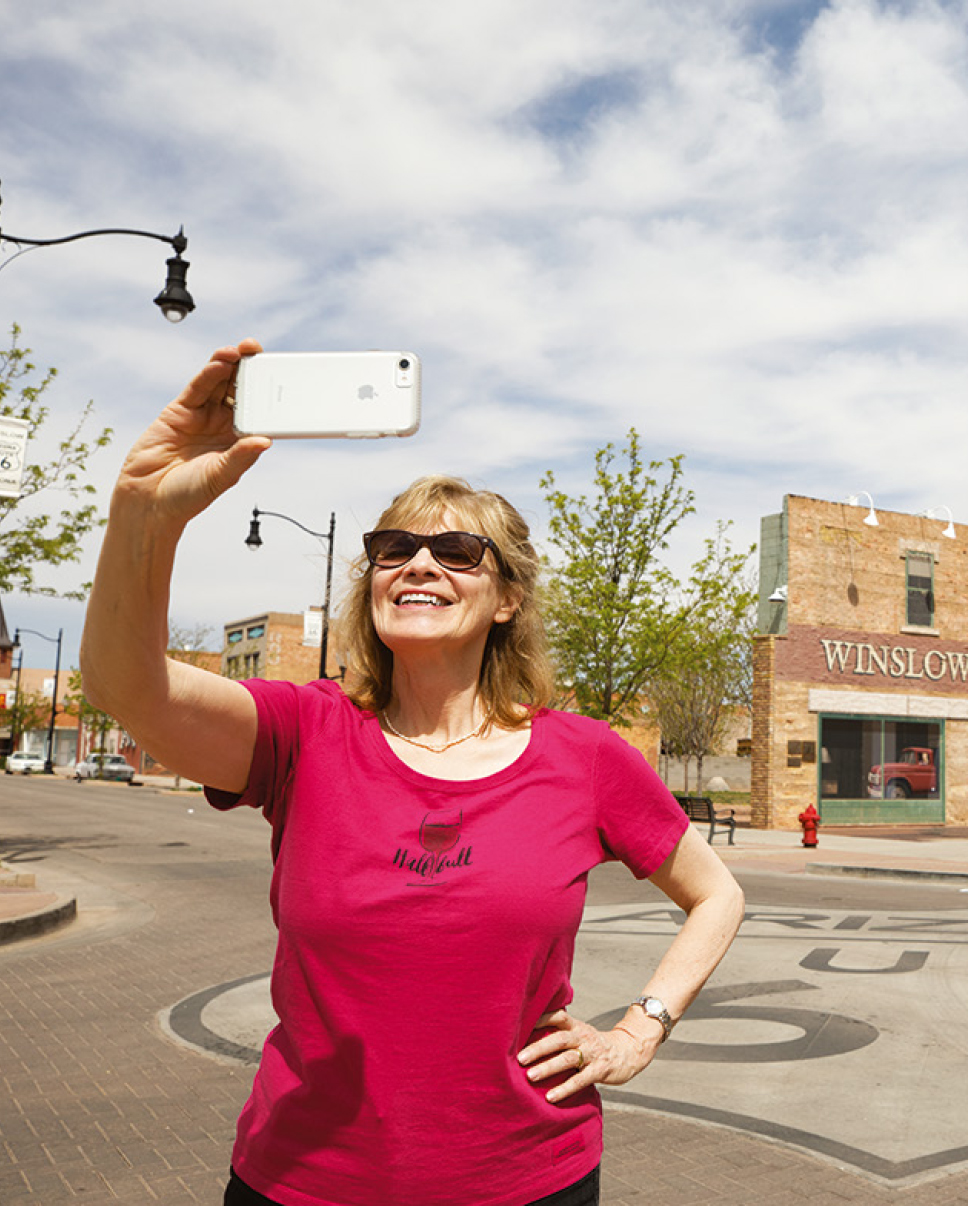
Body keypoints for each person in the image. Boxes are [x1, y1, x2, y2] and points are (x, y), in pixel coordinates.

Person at [80, 340, 745, 1206]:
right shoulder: (306, 731)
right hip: (301, 1179)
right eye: (395, 548)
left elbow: (717, 894)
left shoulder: (583, 757)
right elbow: (125, 686)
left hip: (526, 1180)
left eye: (459, 552)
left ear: (506, 599)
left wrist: (638, 1030)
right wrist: (144, 512)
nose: (419, 564)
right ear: (373, 582)